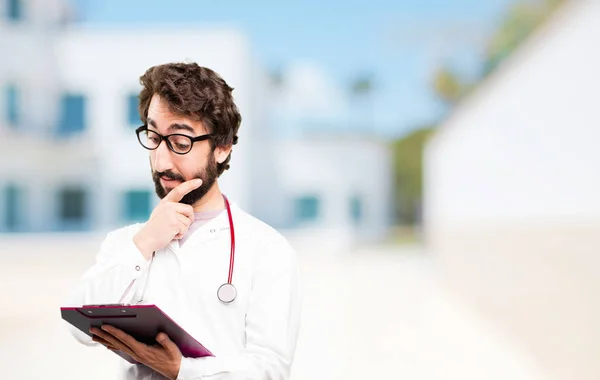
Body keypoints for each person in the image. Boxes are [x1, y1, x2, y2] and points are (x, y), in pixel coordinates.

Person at [63, 62, 302, 380]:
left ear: (221, 147)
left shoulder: (266, 249)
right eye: (153, 136)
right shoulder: (129, 242)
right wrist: (145, 243)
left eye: (180, 142)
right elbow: (80, 322)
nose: (161, 160)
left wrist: (181, 370)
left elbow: (270, 369)